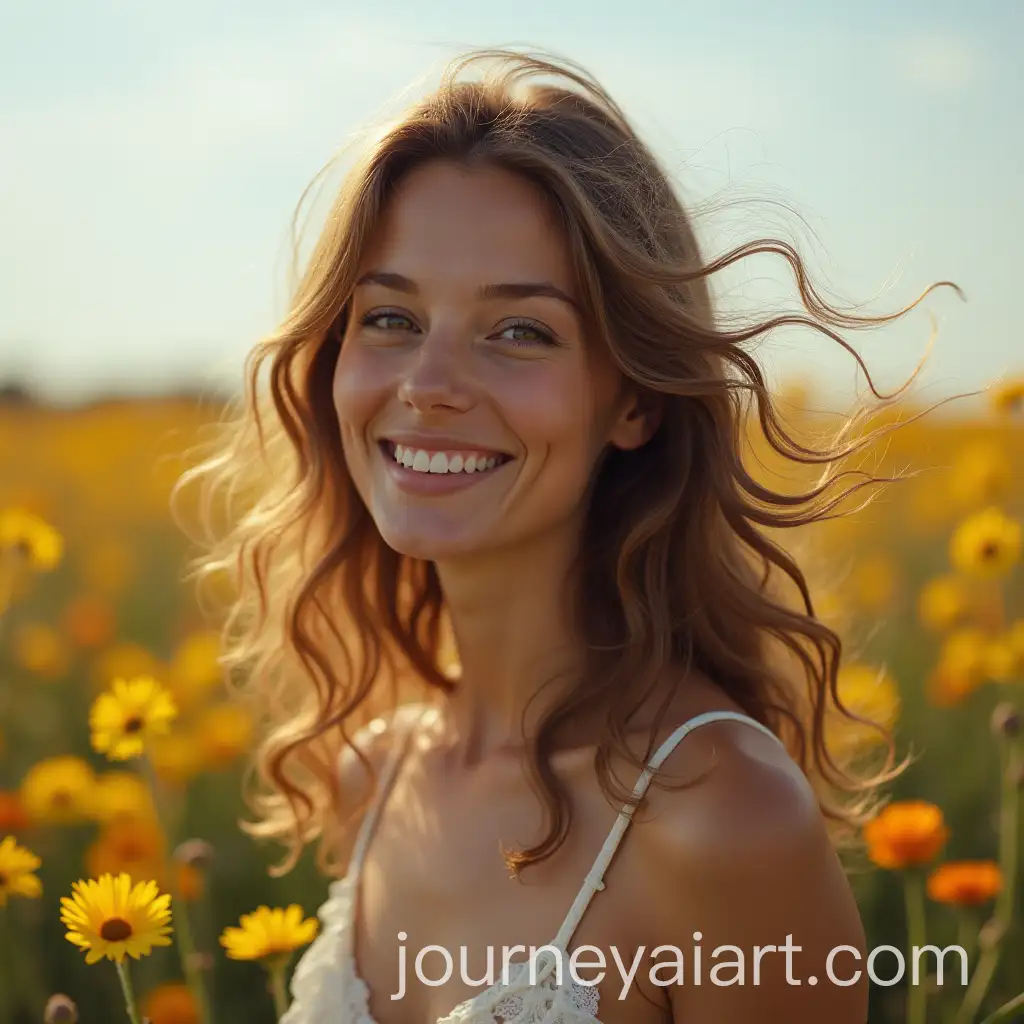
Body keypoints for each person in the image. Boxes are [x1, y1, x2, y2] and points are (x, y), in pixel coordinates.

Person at [179, 47, 955, 1024]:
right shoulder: (372, 775)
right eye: (388, 316)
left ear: (632, 400)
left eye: (519, 332)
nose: (427, 381)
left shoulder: (722, 817)